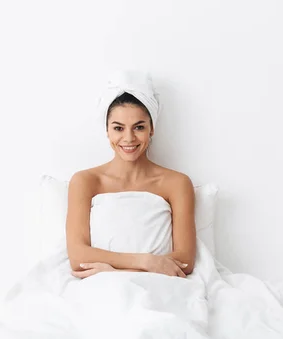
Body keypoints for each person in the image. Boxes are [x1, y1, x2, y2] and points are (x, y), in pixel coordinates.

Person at [66, 72, 196, 279]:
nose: (128, 138)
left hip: (162, 284)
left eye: (139, 127)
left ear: (151, 129)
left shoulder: (177, 183)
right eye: (118, 128)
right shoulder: (85, 181)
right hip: (102, 285)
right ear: (107, 131)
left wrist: (118, 271)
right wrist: (147, 261)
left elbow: (185, 260)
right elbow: (78, 256)